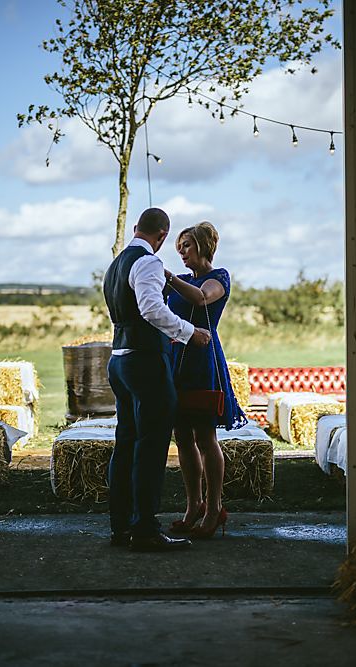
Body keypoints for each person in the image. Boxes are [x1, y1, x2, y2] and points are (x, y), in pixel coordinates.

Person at [103, 208, 212, 552]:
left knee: (126, 445)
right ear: (162, 236)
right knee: (151, 449)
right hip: (145, 364)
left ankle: (121, 526)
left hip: (118, 361)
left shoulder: (115, 264)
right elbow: (151, 308)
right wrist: (189, 331)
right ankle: (146, 530)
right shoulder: (147, 262)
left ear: (136, 228)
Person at [164, 221, 247, 539]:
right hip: (177, 363)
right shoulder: (181, 280)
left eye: (186, 245)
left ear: (202, 246)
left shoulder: (219, 278)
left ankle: (214, 508)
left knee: (204, 436)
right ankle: (192, 505)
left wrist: (168, 278)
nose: (182, 252)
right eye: (179, 247)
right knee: (182, 437)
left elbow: (201, 299)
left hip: (202, 361)